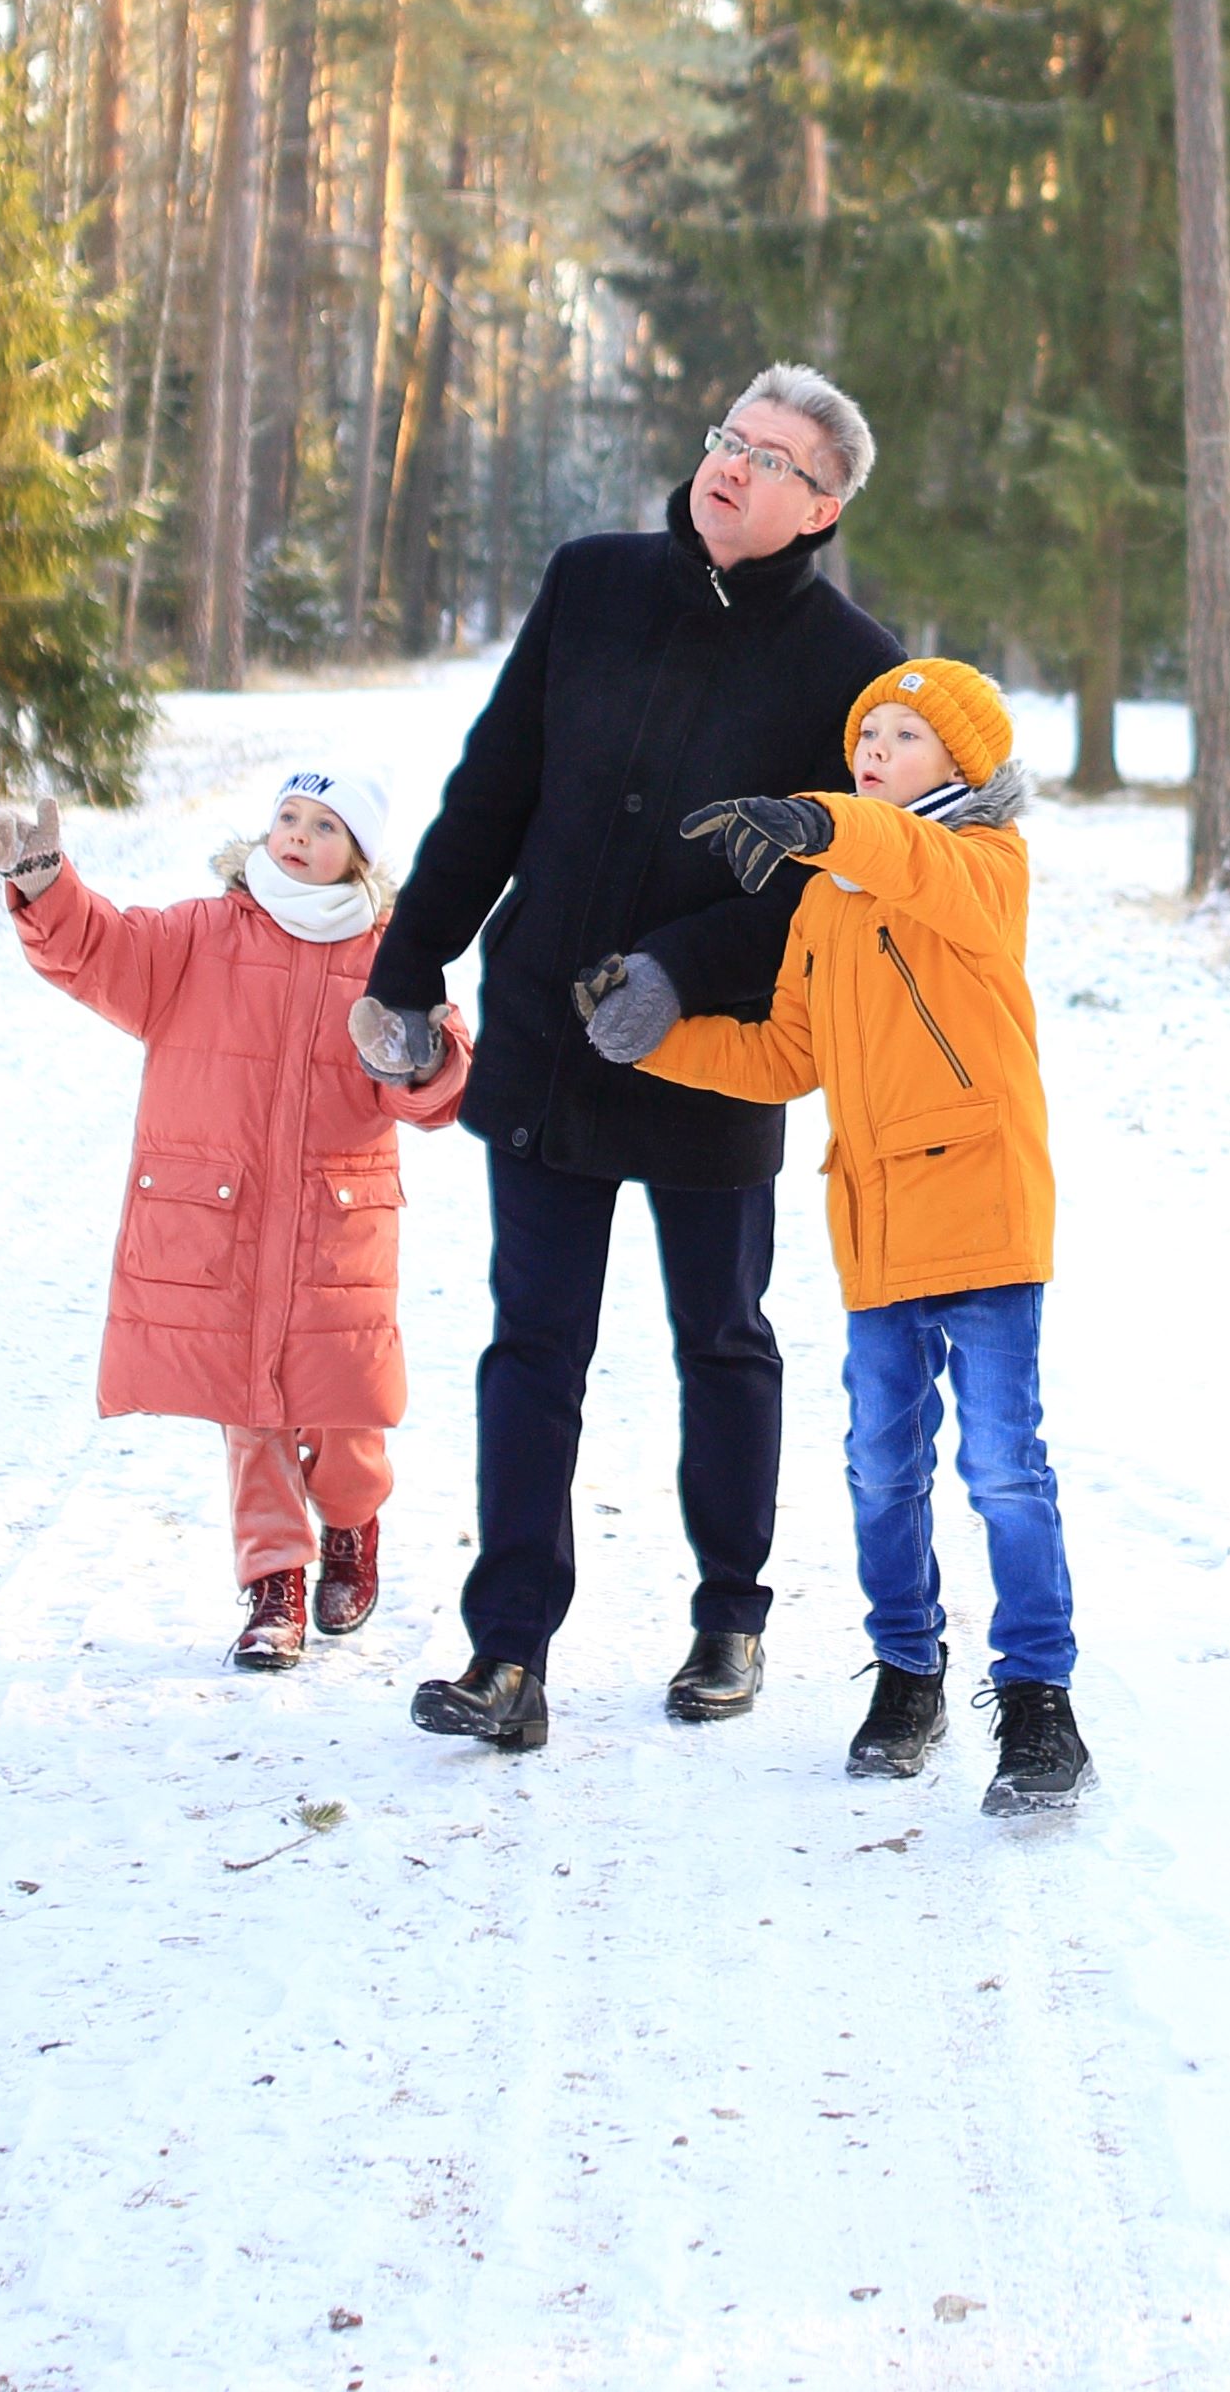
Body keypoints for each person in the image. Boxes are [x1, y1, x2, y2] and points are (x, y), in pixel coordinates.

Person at [358, 366, 901, 1755]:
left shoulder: (854, 667)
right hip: (547, 1035)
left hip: (711, 1054)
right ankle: (508, 1654)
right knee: (535, 1344)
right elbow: (496, 786)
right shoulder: (590, 583)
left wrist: (685, 972)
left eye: (770, 458)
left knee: (720, 1337)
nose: (730, 464)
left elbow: (819, 885)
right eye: (728, 437)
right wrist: (408, 965)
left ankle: (731, 1615)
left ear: (822, 505)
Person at [589, 659, 1087, 1817]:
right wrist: (653, 1036)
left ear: (960, 765)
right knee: (880, 1469)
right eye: (869, 734)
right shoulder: (828, 894)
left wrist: (822, 820)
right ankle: (908, 1675)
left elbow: (905, 856)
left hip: (984, 1210)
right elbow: (785, 1058)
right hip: (875, 1223)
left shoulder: (985, 866)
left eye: (906, 736)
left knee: (1005, 1469)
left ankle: (1039, 1705)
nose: (877, 750)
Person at [0, 754, 471, 1670]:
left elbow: (439, 1088)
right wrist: (45, 882)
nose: (299, 836)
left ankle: (354, 1527)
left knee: (344, 1408)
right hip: (226, 1223)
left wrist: (416, 1058)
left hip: (337, 1227)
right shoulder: (200, 936)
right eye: (289, 818)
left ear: (358, 858)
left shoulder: (389, 955)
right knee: (249, 1411)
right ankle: (274, 1582)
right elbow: (103, 950)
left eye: (325, 829)